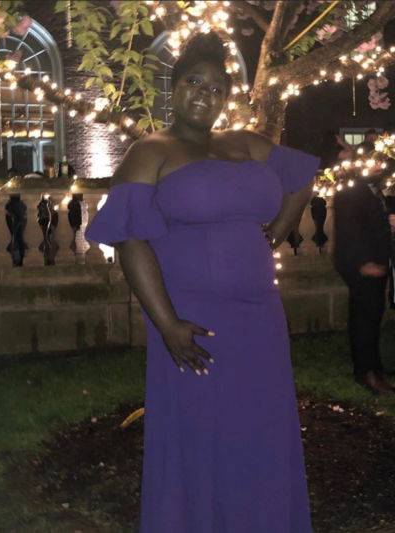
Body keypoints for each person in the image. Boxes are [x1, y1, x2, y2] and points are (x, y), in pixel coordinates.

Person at [85, 33, 318, 533]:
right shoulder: (150, 151)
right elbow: (130, 241)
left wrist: (278, 228)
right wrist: (166, 324)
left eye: (217, 87)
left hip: (259, 318)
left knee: (260, 429)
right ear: (174, 87)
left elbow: (302, 177)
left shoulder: (245, 142)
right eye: (194, 81)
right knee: (198, 432)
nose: (204, 94)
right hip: (192, 320)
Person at [333, 143, 393, 394]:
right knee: (364, 320)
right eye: (375, 162)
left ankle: (374, 368)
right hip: (361, 265)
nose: (380, 167)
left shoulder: (373, 191)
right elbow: (348, 232)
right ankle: (366, 373)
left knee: (372, 317)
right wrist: (362, 263)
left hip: (376, 263)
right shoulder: (351, 193)